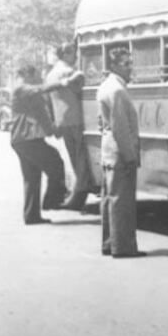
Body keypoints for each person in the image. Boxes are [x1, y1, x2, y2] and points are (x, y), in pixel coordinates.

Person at [97, 47, 145, 258]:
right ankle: (123, 247)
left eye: (130, 63)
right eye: (126, 64)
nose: (130, 68)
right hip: (119, 151)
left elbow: (105, 124)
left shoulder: (106, 86)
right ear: (114, 66)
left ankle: (110, 243)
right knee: (122, 202)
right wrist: (130, 155)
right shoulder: (116, 90)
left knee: (110, 199)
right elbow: (120, 127)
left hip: (108, 150)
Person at [10, 64, 69, 225]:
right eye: (36, 75)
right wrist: (62, 83)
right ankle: (52, 201)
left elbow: (41, 114)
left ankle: (32, 216)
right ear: (28, 74)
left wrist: (53, 130)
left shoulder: (29, 92)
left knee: (32, 177)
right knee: (55, 162)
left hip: (25, 139)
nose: (39, 79)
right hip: (27, 139)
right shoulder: (21, 88)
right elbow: (40, 89)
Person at [45, 42, 95, 211]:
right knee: (80, 157)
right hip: (76, 118)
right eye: (73, 53)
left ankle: (77, 193)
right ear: (66, 54)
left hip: (62, 120)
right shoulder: (70, 72)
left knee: (73, 156)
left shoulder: (51, 74)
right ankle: (80, 193)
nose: (76, 56)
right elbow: (81, 89)